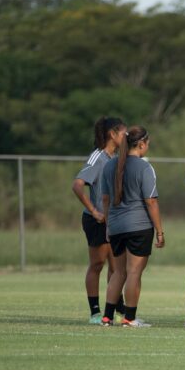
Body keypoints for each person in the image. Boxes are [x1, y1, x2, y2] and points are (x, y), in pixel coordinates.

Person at [100, 126, 164, 327]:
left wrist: (109, 226)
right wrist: (160, 232)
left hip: (117, 226)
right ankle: (129, 318)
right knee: (134, 272)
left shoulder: (109, 165)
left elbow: (105, 199)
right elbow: (151, 202)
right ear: (142, 144)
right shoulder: (145, 167)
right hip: (139, 227)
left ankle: (107, 317)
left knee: (118, 273)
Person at [71, 117, 126, 324]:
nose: (126, 138)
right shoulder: (97, 157)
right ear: (113, 134)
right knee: (97, 264)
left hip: (114, 220)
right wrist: (94, 211)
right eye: (123, 134)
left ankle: (116, 311)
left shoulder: (117, 157)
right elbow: (77, 185)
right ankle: (95, 312)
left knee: (117, 267)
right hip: (97, 221)